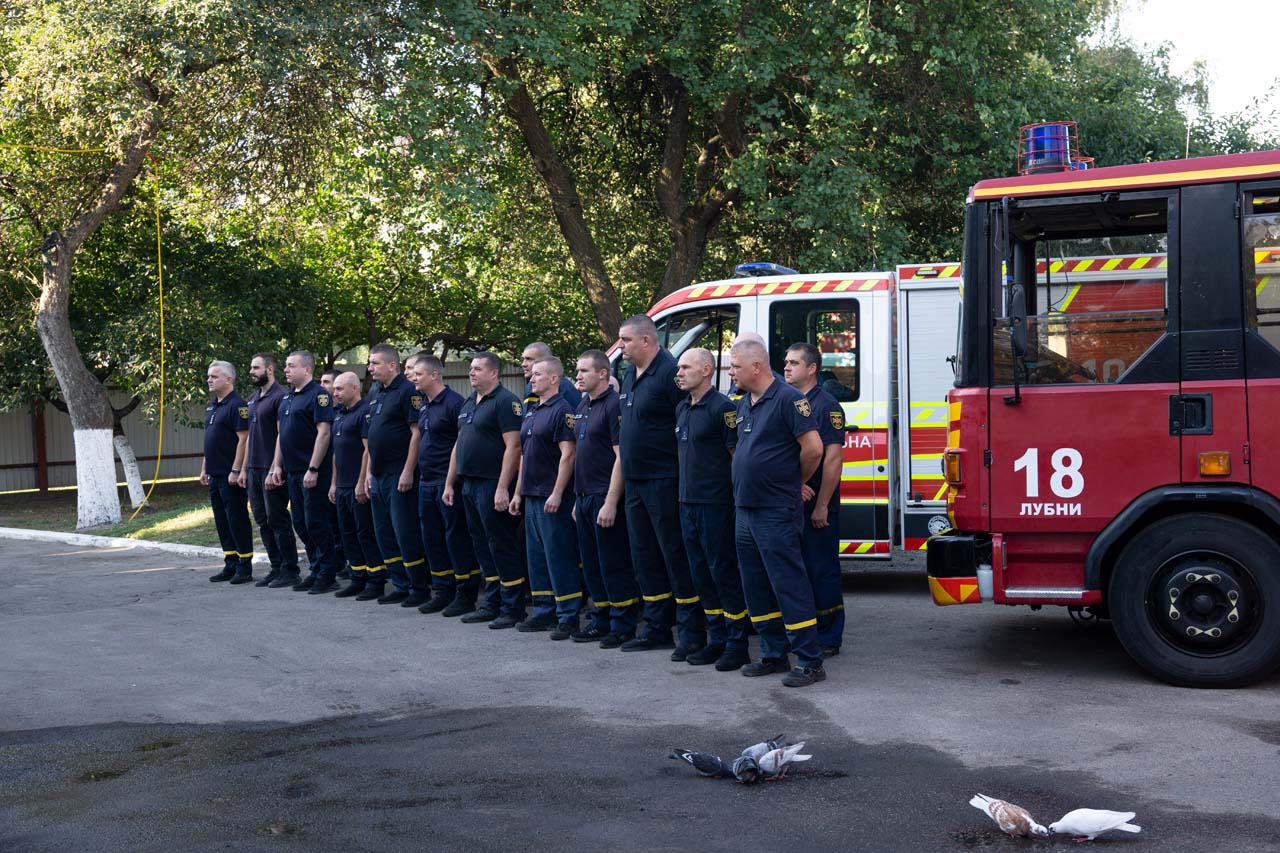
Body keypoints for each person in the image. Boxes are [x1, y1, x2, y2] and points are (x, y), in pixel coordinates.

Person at [729, 338, 827, 687]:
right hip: (746, 510)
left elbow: (814, 450)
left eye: (735, 366)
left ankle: (810, 661)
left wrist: (792, 481)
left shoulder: (789, 399)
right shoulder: (744, 403)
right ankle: (772, 654)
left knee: (789, 584)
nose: (731, 371)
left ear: (756, 366)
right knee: (755, 585)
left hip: (775, 510)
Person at [616, 314, 706, 658]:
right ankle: (656, 627)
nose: (621, 346)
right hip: (635, 482)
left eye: (625, 340)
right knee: (645, 557)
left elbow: (686, 423)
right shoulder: (629, 375)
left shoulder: (670, 372)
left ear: (647, 341)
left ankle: (692, 632)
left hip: (664, 481)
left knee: (675, 556)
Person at [674, 348, 751, 671]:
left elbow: (737, 458)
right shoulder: (682, 407)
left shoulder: (723, 408)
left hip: (716, 505)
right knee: (701, 575)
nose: (678, 372)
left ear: (706, 370)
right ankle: (715, 639)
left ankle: (737, 645)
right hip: (687, 504)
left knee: (724, 574)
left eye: (685, 367)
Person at [443, 352, 527, 628]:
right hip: (469, 483)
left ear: (494, 373)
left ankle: (513, 607)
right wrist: (449, 483)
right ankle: (491, 603)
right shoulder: (468, 402)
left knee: (500, 544)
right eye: (470, 369)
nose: (472, 373)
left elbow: (514, 447)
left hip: (492, 483)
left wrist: (503, 487)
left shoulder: (505, 402)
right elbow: (459, 444)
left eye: (478, 369)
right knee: (481, 544)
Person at [570, 350, 641, 647]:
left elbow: (621, 457)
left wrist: (611, 502)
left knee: (613, 563)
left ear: (602, 373)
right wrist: (577, 499)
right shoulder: (584, 404)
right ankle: (600, 619)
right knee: (592, 564)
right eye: (577, 371)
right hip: (584, 497)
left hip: (604, 497)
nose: (578, 377)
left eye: (584, 371)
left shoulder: (615, 406)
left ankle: (623, 624)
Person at [510, 356, 582, 639]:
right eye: (532, 375)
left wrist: (557, 492)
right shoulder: (532, 410)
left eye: (538, 374)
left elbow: (569, 454)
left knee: (558, 556)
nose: (531, 379)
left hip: (552, 497)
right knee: (537, 558)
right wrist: (518, 492)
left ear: (554, 379)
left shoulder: (562, 410)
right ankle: (543, 611)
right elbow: (524, 456)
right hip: (531, 495)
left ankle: (568, 616)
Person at [784, 342, 847, 656]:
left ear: (812, 369)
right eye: (786, 362)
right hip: (793, 499)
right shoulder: (791, 402)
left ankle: (829, 636)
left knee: (822, 569)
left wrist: (822, 504)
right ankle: (805, 629)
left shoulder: (827, 406)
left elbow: (833, 460)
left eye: (794, 363)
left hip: (817, 504)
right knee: (799, 570)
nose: (786, 367)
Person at [408, 353, 481, 616]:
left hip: (446, 483)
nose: (413, 378)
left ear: (434, 375)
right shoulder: (424, 405)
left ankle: (465, 594)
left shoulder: (454, 404)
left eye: (418, 374)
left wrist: (450, 482)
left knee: (456, 539)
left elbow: (460, 445)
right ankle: (443, 589)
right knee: (433, 540)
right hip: (426, 482)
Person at [362, 344, 430, 608]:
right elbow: (371, 439)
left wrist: (407, 471)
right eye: (369, 363)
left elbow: (416, 433)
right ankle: (399, 584)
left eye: (375, 363)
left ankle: (418, 586)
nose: (370, 368)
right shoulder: (377, 391)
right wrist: (368, 472)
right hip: (378, 475)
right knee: (384, 533)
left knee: (405, 533)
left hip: (398, 475)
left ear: (392, 365)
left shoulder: (408, 392)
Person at [268, 351, 339, 594]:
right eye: (285, 366)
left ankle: (328, 574)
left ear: (307, 370)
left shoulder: (318, 396)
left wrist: (313, 467)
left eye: (291, 366)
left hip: (313, 473)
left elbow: (324, 433)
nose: (285, 370)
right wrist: (276, 465)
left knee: (316, 522)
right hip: (292, 472)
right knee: (300, 522)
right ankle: (317, 568)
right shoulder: (287, 398)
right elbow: (281, 435)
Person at [238, 353, 299, 589]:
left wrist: (276, 467)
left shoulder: (280, 397)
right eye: (251, 367)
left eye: (256, 367)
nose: (251, 372)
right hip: (253, 468)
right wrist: (243, 469)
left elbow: (281, 435)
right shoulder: (254, 398)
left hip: (270, 468)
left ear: (270, 369)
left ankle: (290, 570)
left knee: (278, 519)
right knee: (263, 520)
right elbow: (250, 438)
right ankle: (276, 568)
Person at [328, 371, 387, 600]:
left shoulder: (365, 413)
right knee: (348, 534)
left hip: (357, 486)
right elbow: (336, 453)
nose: (335, 393)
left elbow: (367, 450)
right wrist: (333, 483)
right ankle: (357, 577)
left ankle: (375, 581)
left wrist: (361, 482)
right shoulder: (339, 414)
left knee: (365, 534)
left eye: (340, 389)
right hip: (341, 485)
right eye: (335, 389)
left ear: (354, 388)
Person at [202, 360, 254, 584]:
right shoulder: (212, 406)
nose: (209, 380)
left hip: (229, 474)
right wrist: (204, 467)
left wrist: (236, 469)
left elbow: (244, 440)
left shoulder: (238, 405)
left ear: (228, 379)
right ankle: (230, 562)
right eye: (209, 376)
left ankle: (244, 565)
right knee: (221, 520)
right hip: (214, 473)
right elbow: (209, 441)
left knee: (237, 518)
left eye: (214, 376)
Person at [320, 369, 348, 580]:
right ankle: (338, 560)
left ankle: (349, 561)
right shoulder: (327, 412)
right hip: (330, 475)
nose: (324, 386)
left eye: (328, 382)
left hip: (346, 476)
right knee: (330, 521)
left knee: (342, 523)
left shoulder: (346, 411)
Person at [521, 341, 581, 408]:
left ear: (546, 360)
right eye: (523, 359)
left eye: (529, 359)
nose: (523, 364)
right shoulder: (530, 386)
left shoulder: (563, 386)